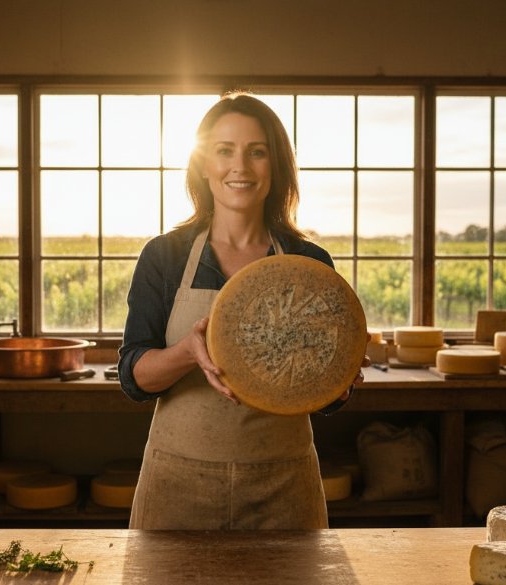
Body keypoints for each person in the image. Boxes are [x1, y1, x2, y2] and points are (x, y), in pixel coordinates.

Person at [117, 91, 368, 530]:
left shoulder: (308, 262)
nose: (241, 166)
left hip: (283, 487)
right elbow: (134, 378)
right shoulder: (165, 257)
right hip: (179, 484)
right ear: (203, 164)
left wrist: (339, 375)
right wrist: (188, 352)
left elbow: (326, 398)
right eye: (224, 151)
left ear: (277, 167)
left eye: (257, 152)